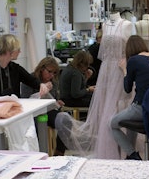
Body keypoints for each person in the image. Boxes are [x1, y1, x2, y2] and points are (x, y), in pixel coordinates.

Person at [55, 12, 132, 159]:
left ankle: (123, 146)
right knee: (105, 108)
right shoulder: (105, 25)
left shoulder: (126, 25)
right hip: (106, 71)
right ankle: (107, 146)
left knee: (118, 106)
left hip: (118, 68)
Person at [110, 35, 149, 160]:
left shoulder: (134, 61)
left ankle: (132, 154)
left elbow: (127, 89)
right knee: (130, 120)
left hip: (142, 108)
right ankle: (131, 155)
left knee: (112, 124)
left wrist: (124, 70)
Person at [20, 56, 67, 156]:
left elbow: (54, 97)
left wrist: (57, 102)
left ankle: (59, 152)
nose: (51, 75)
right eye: (49, 72)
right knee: (38, 126)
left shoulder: (53, 81)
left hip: (49, 110)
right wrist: (42, 92)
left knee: (66, 121)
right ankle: (38, 155)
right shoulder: (30, 79)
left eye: (54, 73)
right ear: (42, 69)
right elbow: (25, 100)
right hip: (33, 113)